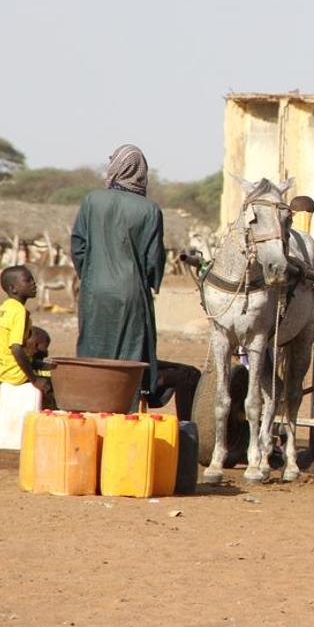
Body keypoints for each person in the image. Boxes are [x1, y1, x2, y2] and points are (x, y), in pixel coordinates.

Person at [72, 144, 199, 420]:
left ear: (116, 167)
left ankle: (90, 413)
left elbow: (78, 246)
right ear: (141, 173)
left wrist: (91, 276)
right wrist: (152, 283)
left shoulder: (92, 201)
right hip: (131, 293)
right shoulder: (150, 210)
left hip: (94, 291)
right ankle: (125, 416)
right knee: (131, 356)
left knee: (93, 348)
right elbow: (153, 258)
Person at [0, 265, 51, 400]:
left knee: (44, 367)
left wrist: (35, 364)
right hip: (13, 373)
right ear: (13, 288)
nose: (33, 283)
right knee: (52, 383)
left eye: (33, 279)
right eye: (27, 281)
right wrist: (34, 380)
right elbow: (16, 348)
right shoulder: (19, 312)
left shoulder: (4, 308)